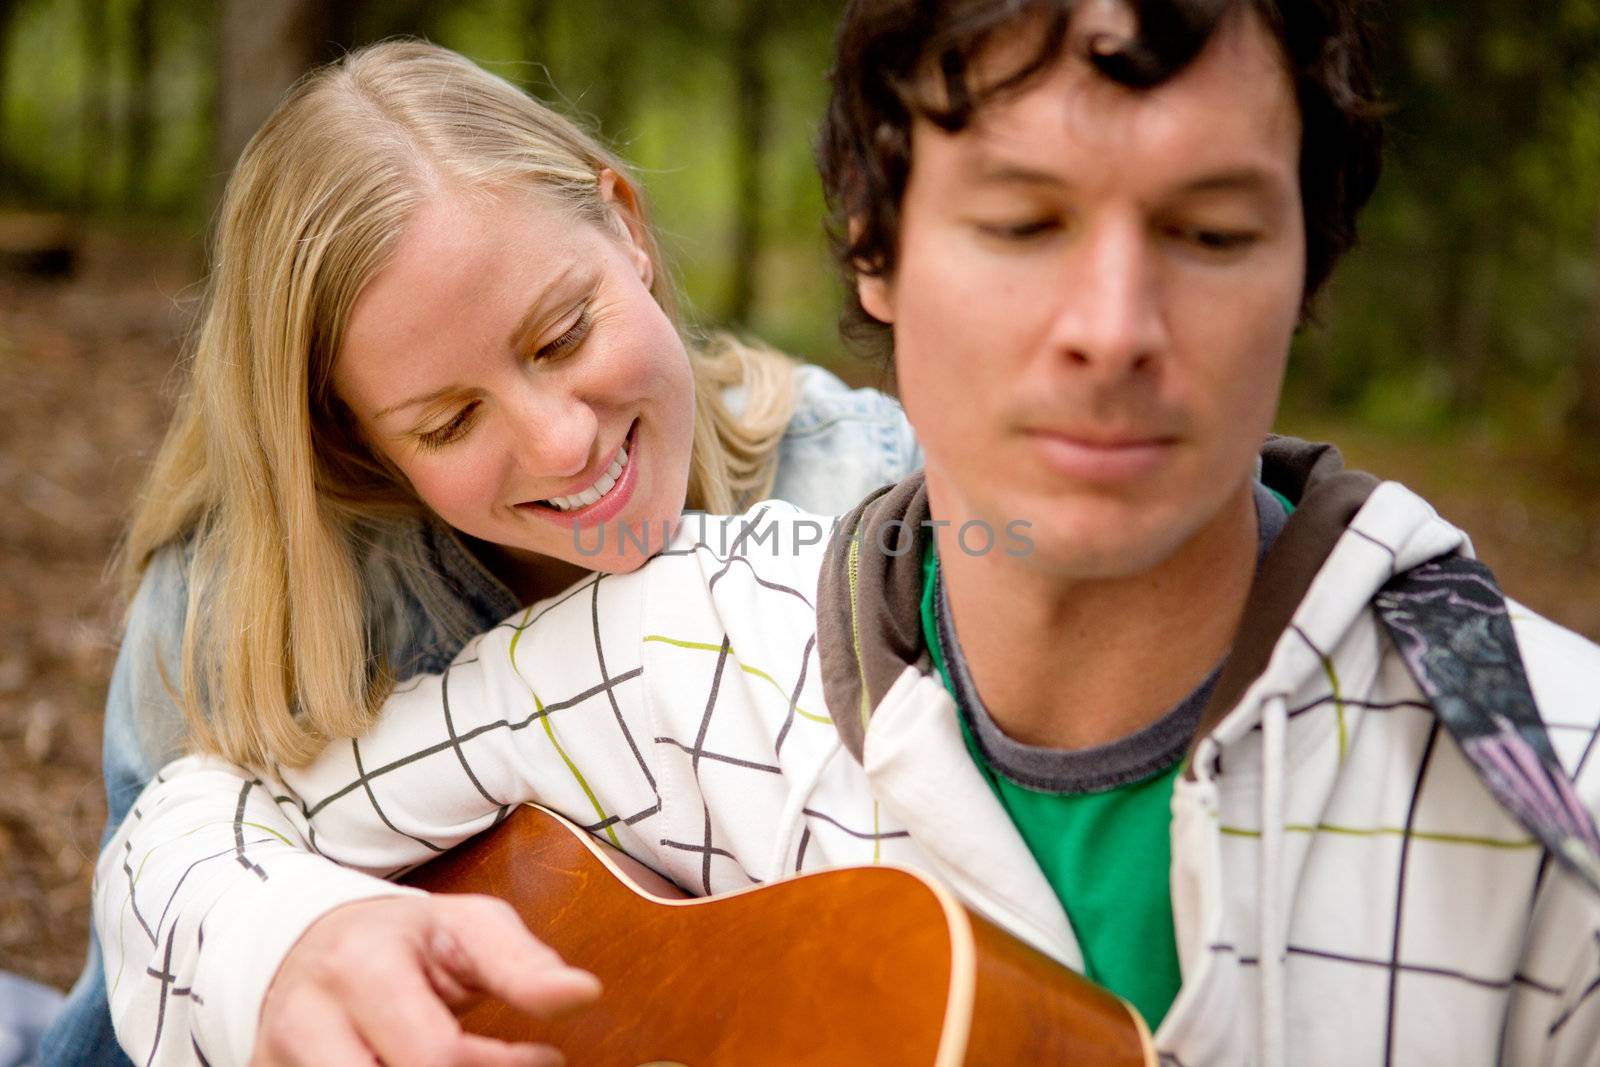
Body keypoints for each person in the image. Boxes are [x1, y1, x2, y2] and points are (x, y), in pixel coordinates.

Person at [97, 2, 1600, 1065]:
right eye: (1021, 223)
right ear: (873, 248)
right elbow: (180, 836)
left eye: (1212, 229)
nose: (1113, 330)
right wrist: (275, 945)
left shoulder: (1559, 803)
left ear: (1309, 259)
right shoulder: (680, 639)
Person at [38, 41, 923, 1067]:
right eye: (451, 421)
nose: (562, 441)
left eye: (561, 336)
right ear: (353, 438)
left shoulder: (872, 487)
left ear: (626, 227)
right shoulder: (238, 614)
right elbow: (137, 1013)